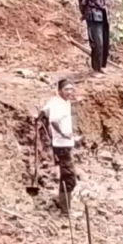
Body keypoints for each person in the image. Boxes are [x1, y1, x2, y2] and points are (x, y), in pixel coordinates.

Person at [39, 79, 80, 215]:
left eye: (71, 89)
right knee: (69, 178)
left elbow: (44, 111)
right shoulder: (58, 104)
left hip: (64, 144)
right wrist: (63, 133)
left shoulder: (58, 101)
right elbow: (53, 120)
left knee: (65, 175)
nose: (69, 92)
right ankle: (65, 210)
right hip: (62, 144)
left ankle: (62, 203)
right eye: (66, 89)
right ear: (60, 90)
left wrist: (39, 117)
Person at [78, 0, 111, 78]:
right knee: (97, 43)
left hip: (102, 13)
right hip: (92, 14)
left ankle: (101, 67)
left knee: (105, 42)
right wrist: (83, 13)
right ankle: (95, 69)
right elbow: (82, 1)